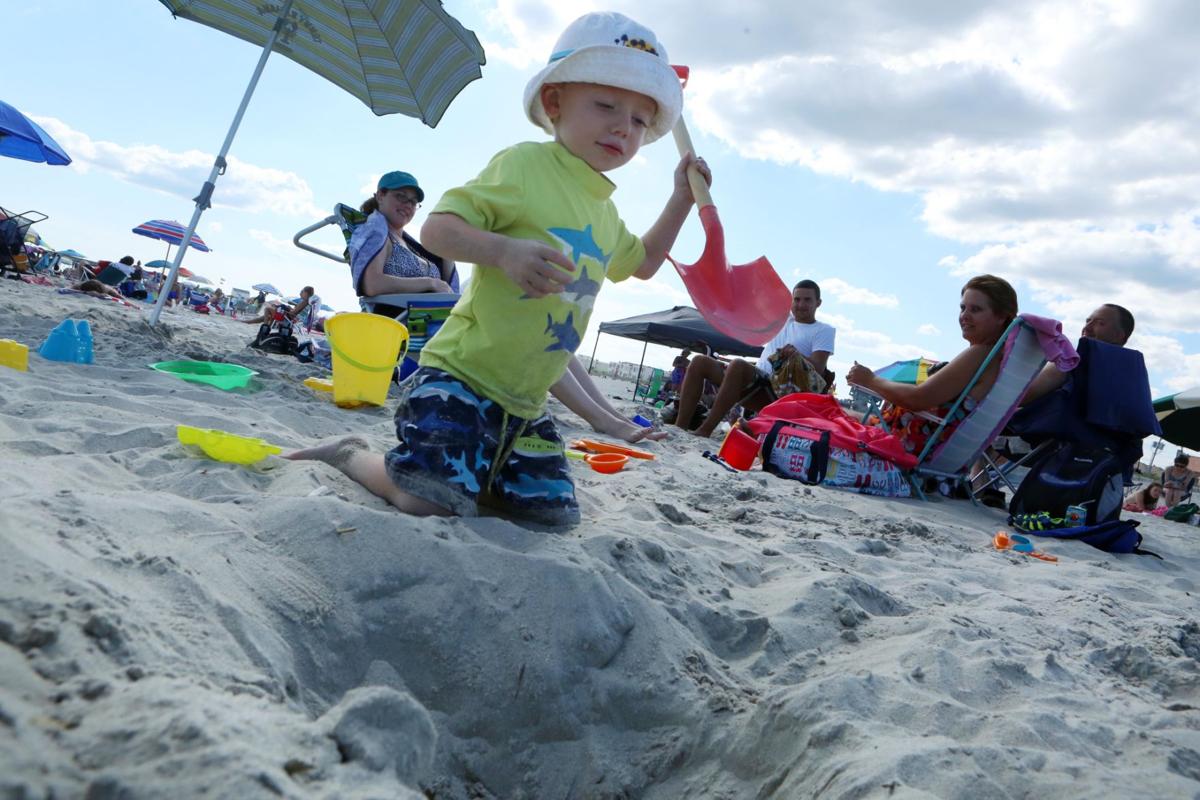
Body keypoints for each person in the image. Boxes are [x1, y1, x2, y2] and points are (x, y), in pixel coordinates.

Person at [288, 11, 708, 524]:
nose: (624, 126)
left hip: (525, 404)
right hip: (459, 378)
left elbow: (641, 264)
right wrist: (503, 252)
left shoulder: (605, 211)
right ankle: (351, 454)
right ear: (554, 102)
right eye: (606, 105)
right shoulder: (525, 165)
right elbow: (437, 230)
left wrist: (681, 198)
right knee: (425, 500)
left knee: (551, 516)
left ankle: (469, 474)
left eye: (640, 120)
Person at [349, 170, 655, 444]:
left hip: (430, 316)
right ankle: (602, 419)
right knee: (530, 332)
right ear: (380, 195)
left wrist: (444, 261)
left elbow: (445, 282)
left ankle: (610, 413)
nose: (407, 205)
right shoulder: (376, 229)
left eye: (414, 201)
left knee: (553, 335)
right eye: (400, 197)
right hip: (407, 325)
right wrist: (428, 283)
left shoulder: (409, 242)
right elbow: (371, 285)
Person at [847, 274, 1019, 458]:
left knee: (829, 415)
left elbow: (917, 399)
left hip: (901, 446)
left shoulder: (981, 353)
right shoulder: (1000, 360)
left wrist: (870, 380)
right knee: (837, 411)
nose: (964, 316)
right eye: (963, 308)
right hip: (922, 445)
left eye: (975, 309)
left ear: (1001, 317)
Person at [674, 280, 835, 437]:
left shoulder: (823, 330)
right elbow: (755, 298)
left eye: (807, 300)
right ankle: (680, 427)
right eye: (797, 299)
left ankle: (705, 429)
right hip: (754, 380)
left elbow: (819, 368)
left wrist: (796, 354)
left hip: (777, 390)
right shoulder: (783, 320)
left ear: (818, 303)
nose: (801, 304)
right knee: (699, 361)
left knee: (738, 365)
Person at [1023, 303, 1135, 403]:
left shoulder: (1069, 363)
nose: (1087, 327)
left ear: (1118, 336)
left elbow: (1021, 397)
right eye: (1088, 321)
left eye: (1100, 323)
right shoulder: (1132, 379)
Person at [242, 286, 317, 328]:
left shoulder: (304, 302)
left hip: (286, 316)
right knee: (269, 315)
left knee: (267, 309)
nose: (301, 293)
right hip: (288, 316)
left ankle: (265, 326)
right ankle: (250, 322)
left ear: (306, 293)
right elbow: (295, 311)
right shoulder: (306, 302)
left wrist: (286, 309)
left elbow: (292, 313)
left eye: (302, 291)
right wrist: (289, 307)